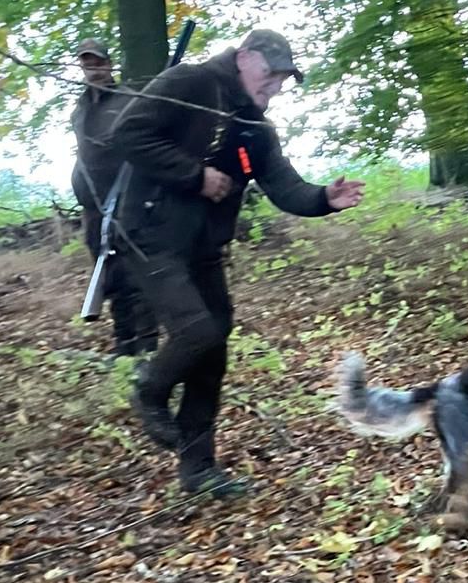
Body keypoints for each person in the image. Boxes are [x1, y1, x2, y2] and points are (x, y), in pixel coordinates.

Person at [104, 27, 364, 497]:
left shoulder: (255, 127)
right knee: (197, 332)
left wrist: (324, 198)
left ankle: (198, 470)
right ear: (244, 58)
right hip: (150, 235)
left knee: (213, 353)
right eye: (271, 73)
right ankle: (149, 388)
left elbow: (284, 186)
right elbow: (127, 134)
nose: (276, 86)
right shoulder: (189, 82)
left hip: (204, 248)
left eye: (283, 79)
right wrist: (194, 175)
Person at [69, 39, 157, 356]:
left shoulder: (129, 101)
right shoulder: (80, 110)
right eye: (87, 63)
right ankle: (124, 343)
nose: (93, 69)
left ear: (109, 64)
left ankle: (146, 346)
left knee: (137, 277)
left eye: (98, 62)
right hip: (94, 207)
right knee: (109, 277)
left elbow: (146, 146)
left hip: (129, 201)